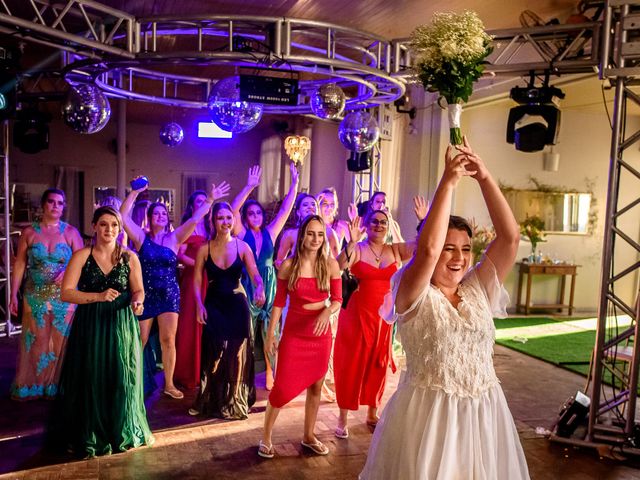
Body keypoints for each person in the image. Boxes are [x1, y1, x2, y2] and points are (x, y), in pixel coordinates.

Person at [359, 138, 529, 479]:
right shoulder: (413, 292)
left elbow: (510, 238)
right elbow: (428, 251)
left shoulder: (477, 287)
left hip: (485, 415)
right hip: (430, 420)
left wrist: (483, 177)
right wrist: (449, 181)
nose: (459, 258)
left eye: (466, 249)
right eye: (450, 249)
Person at [51, 206, 153, 457]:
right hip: (91, 325)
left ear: (120, 229)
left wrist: (138, 302)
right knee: (92, 377)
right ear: (94, 226)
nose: (109, 230)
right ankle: (92, 432)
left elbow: (138, 289)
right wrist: (98, 296)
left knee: (121, 377)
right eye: (104, 224)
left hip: (121, 324)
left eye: (114, 225)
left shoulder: (130, 257)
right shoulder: (81, 256)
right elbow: (66, 292)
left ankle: (119, 429)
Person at [120, 179, 230, 400]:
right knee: (139, 341)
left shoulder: (174, 238)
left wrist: (210, 200)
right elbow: (122, 218)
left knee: (168, 340)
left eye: (163, 213)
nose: (160, 216)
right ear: (150, 219)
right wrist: (133, 192)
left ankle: (169, 384)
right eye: (156, 214)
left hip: (170, 295)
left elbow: (195, 218)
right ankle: (132, 382)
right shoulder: (141, 238)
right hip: (146, 294)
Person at [258, 215, 342, 459]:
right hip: (295, 333)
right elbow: (278, 302)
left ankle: (308, 435)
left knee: (316, 386)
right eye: (311, 233)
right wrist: (271, 334)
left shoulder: (330, 264)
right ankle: (265, 436)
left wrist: (327, 312)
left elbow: (337, 300)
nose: (315, 239)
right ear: (302, 236)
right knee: (282, 387)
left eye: (320, 234)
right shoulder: (288, 265)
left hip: (320, 334)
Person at [333, 208, 414, 438]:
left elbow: (422, 246)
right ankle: (342, 418)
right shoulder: (358, 249)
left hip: (383, 319)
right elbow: (339, 266)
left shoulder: (395, 250)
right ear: (366, 225)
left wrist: (423, 220)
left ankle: (372, 412)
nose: (379, 225)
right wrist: (351, 242)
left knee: (378, 363)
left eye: (383, 222)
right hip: (356, 317)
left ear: (389, 227)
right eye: (374, 221)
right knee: (352, 365)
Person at [189, 201, 265, 419]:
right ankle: (208, 398)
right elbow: (196, 281)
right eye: (220, 218)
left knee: (238, 354)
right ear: (213, 221)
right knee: (214, 353)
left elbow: (255, 274)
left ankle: (234, 400)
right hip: (214, 304)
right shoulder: (205, 249)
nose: (225, 222)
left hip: (237, 304)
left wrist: (260, 287)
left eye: (229, 218)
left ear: (234, 221)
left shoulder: (243, 247)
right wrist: (198, 304)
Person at [230, 163, 299, 391]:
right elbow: (233, 211)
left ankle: (271, 374)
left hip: (270, 285)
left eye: (258, 212)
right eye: (251, 213)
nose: (256, 216)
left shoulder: (271, 232)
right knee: (246, 332)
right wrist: (249, 187)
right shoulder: (241, 233)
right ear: (247, 217)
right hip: (248, 284)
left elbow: (285, 210)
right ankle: (244, 374)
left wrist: (295, 184)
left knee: (272, 331)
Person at [10, 188, 83, 400]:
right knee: (38, 340)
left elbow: (81, 264)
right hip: (35, 294)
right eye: (51, 202)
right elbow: (20, 264)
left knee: (62, 341)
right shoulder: (29, 233)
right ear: (43, 205)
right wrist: (13, 293)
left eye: (60, 203)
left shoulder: (71, 232)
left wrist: (73, 279)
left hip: (64, 295)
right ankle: (37, 384)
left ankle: (59, 383)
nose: (55, 206)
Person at [174, 190, 210, 390]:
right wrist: (198, 265)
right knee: (189, 323)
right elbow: (180, 255)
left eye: (206, 201)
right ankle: (188, 372)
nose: (204, 203)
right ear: (192, 206)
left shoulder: (212, 226)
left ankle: (205, 370)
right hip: (191, 279)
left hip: (210, 279)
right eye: (199, 201)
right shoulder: (189, 226)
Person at [275, 193, 339, 266]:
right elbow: (279, 263)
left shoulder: (329, 232)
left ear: (318, 210)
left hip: (322, 275)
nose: (310, 207)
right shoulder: (290, 234)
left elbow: (339, 263)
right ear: (298, 212)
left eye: (313, 204)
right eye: (305, 205)